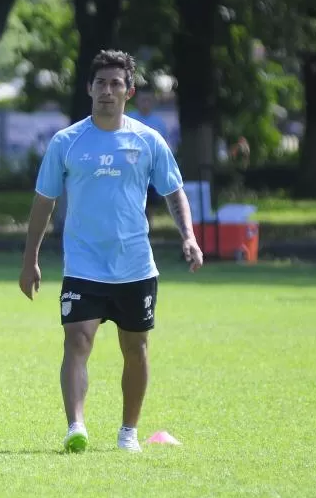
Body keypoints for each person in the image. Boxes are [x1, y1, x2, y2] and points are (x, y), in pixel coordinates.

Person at [17, 50, 203, 454]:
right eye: (100, 83)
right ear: (89, 89)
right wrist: (30, 256)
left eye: (116, 83)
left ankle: (128, 433)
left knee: (135, 350)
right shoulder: (67, 142)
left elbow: (174, 192)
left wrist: (188, 236)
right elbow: (43, 202)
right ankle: (75, 426)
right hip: (83, 264)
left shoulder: (147, 140)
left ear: (129, 91)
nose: (107, 90)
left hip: (134, 265)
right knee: (77, 342)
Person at [127, 91, 170, 224]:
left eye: (148, 100)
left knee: (150, 203)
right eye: (142, 100)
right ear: (137, 102)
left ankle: (147, 228)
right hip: (132, 169)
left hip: (151, 171)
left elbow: (163, 146)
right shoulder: (128, 120)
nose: (145, 103)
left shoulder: (158, 123)